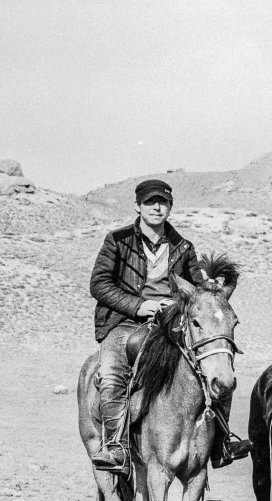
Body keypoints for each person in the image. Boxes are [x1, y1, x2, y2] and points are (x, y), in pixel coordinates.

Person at [89, 179, 251, 476]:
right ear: (137, 206)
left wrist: (211, 290)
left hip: (169, 323)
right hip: (123, 322)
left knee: (213, 365)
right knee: (111, 375)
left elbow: (196, 286)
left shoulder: (182, 246)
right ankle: (116, 447)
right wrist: (138, 305)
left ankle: (222, 441)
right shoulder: (117, 240)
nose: (157, 207)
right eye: (150, 202)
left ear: (170, 208)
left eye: (162, 202)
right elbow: (99, 284)